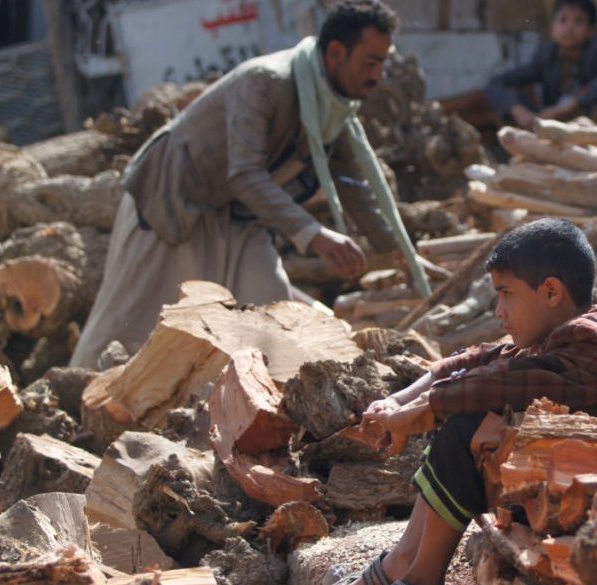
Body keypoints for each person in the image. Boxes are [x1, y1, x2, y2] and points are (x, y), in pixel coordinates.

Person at [70, 0, 438, 369]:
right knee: (129, 327)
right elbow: (244, 174)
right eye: (371, 62)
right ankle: (74, 396)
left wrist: (399, 252)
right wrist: (314, 234)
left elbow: (352, 183)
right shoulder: (265, 82)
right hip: (171, 204)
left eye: (383, 62)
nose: (378, 75)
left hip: (237, 219)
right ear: (336, 53)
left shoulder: (331, 107)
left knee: (274, 316)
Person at [339, 218, 597, 585]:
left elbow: (502, 383)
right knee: (463, 415)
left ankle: (420, 576)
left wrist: (424, 409)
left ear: (551, 293)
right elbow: (479, 359)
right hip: (571, 483)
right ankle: (401, 562)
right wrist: (398, 402)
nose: (499, 311)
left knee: (466, 426)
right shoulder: (562, 328)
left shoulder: (592, 342)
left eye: (507, 294)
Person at [484, 0, 597, 130]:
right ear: (552, 29)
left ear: (589, 31)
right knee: (505, 97)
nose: (569, 27)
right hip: (553, 120)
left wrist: (572, 104)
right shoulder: (546, 55)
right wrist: (518, 111)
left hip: (587, 120)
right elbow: (497, 82)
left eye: (579, 21)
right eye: (563, 20)